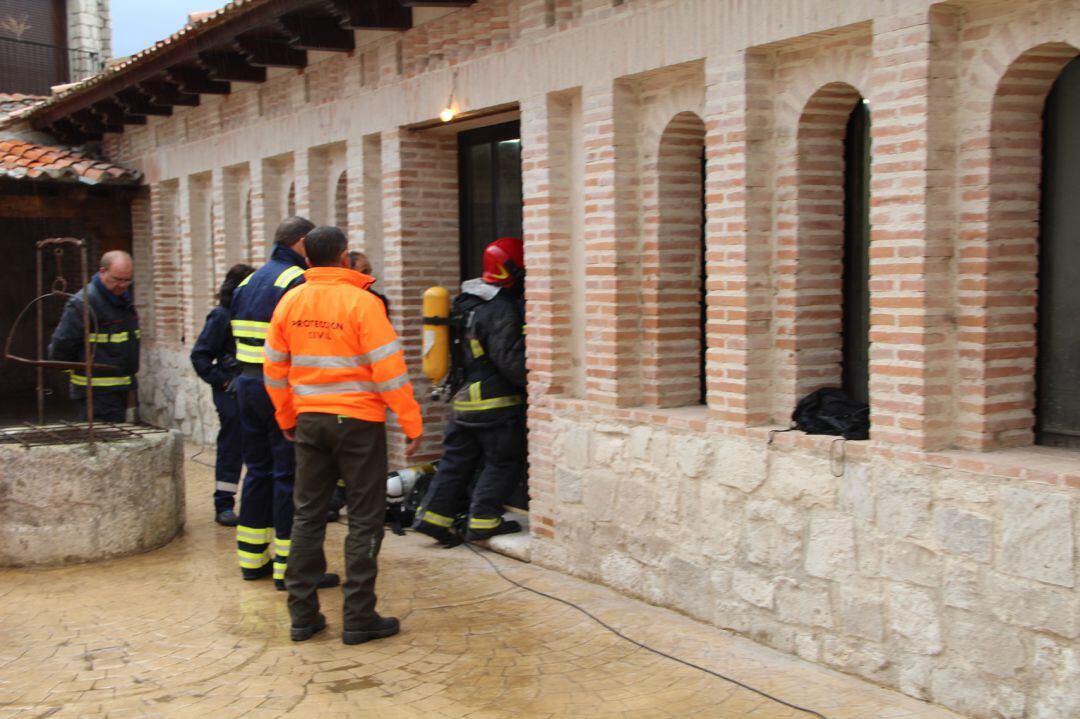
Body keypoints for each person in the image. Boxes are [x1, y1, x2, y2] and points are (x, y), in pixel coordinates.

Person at [263, 225, 423, 644]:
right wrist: (410, 421)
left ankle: (303, 616)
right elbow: (389, 369)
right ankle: (358, 617)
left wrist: (286, 418)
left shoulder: (290, 302)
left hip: (310, 420)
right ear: (344, 255)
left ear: (308, 258)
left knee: (307, 516)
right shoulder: (363, 302)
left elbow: (274, 369)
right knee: (365, 519)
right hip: (358, 424)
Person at [229, 216, 338, 592]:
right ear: (303, 243)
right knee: (288, 476)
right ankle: (291, 569)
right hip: (279, 388)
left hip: (246, 385)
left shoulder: (247, 280)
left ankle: (251, 559)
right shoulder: (295, 282)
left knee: (257, 470)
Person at [413, 237, 527, 546]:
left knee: (455, 461)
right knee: (503, 461)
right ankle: (484, 521)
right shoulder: (500, 307)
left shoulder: (466, 300)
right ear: (510, 270)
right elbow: (513, 363)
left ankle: (433, 519)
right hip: (495, 404)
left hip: (463, 400)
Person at [190, 263, 255, 527]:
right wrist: (225, 381)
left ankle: (256, 504)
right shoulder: (221, 316)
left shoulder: (254, 313)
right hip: (230, 395)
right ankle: (224, 504)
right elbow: (200, 355)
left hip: (253, 390)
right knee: (231, 449)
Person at [48, 250, 139, 423]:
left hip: (119, 388)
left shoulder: (122, 301)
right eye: (117, 279)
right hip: (95, 391)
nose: (122, 285)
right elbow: (61, 346)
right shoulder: (83, 303)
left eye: (127, 280)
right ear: (102, 271)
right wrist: (75, 370)